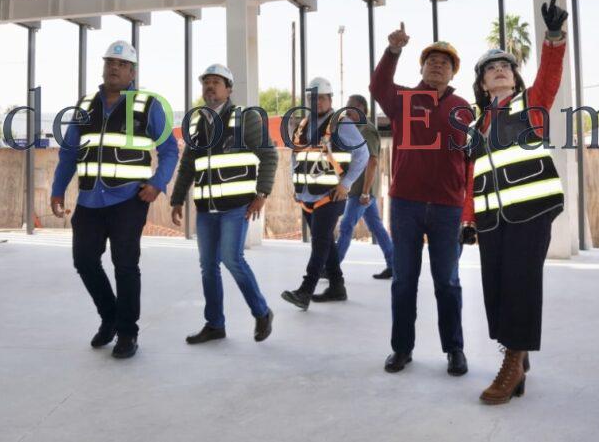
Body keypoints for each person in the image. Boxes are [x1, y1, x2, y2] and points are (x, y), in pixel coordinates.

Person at [461, 0, 567, 405]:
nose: (500, 70)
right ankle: (516, 354)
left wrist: (553, 36)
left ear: (515, 78)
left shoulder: (531, 104)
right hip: (492, 220)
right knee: (497, 287)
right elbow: (472, 175)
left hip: (531, 212)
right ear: (482, 83)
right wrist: (468, 219)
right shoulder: (476, 126)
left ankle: (512, 362)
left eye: (506, 66)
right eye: (492, 69)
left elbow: (551, 74)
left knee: (521, 284)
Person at [50, 40, 179, 360]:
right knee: (84, 261)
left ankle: (127, 332)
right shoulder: (85, 105)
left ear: (132, 72)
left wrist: (157, 184)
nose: (114, 68)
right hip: (89, 200)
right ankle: (109, 318)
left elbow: (168, 150)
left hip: (128, 200)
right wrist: (58, 189)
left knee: (125, 265)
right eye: (110, 62)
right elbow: (69, 152)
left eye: (121, 64)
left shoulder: (147, 105)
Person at [370, 27, 471, 377]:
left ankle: (454, 349)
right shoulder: (404, 99)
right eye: (431, 61)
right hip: (406, 205)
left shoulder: (463, 108)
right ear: (422, 68)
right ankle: (401, 348)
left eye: (445, 62)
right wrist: (392, 51)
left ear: (453, 72)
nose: (437, 65)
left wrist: (468, 209)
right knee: (403, 280)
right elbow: (378, 86)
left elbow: (470, 160)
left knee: (448, 282)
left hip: (448, 207)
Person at [170, 64, 277, 344]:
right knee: (208, 266)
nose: (209, 86)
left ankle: (262, 312)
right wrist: (177, 198)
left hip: (236, 207)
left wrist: (262, 194)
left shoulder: (245, 118)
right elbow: (187, 165)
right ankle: (215, 324)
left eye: (216, 82)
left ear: (228, 89)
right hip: (207, 209)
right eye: (206, 82)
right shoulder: (199, 124)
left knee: (232, 258)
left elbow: (269, 155)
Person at [281, 77, 369, 310]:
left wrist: (346, 184)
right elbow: (295, 156)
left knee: (319, 242)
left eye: (321, 97)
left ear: (330, 99)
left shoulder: (342, 123)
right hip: (307, 195)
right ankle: (337, 287)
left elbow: (363, 154)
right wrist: (296, 186)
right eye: (312, 98)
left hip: (331, 195)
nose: (317, 102)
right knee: (326, 241)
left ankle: (305, 290)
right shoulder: (303, 125)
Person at [333, 94, 393, 279]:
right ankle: (394, 265)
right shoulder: (356, 129)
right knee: (377, 227)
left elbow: (373, 161)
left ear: (360, 108)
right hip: (359, 189)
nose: (346, 111)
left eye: (350, 107)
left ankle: (332, 267)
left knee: (346, 226)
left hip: (362, 190)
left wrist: (366, 192)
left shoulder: (366, 130)